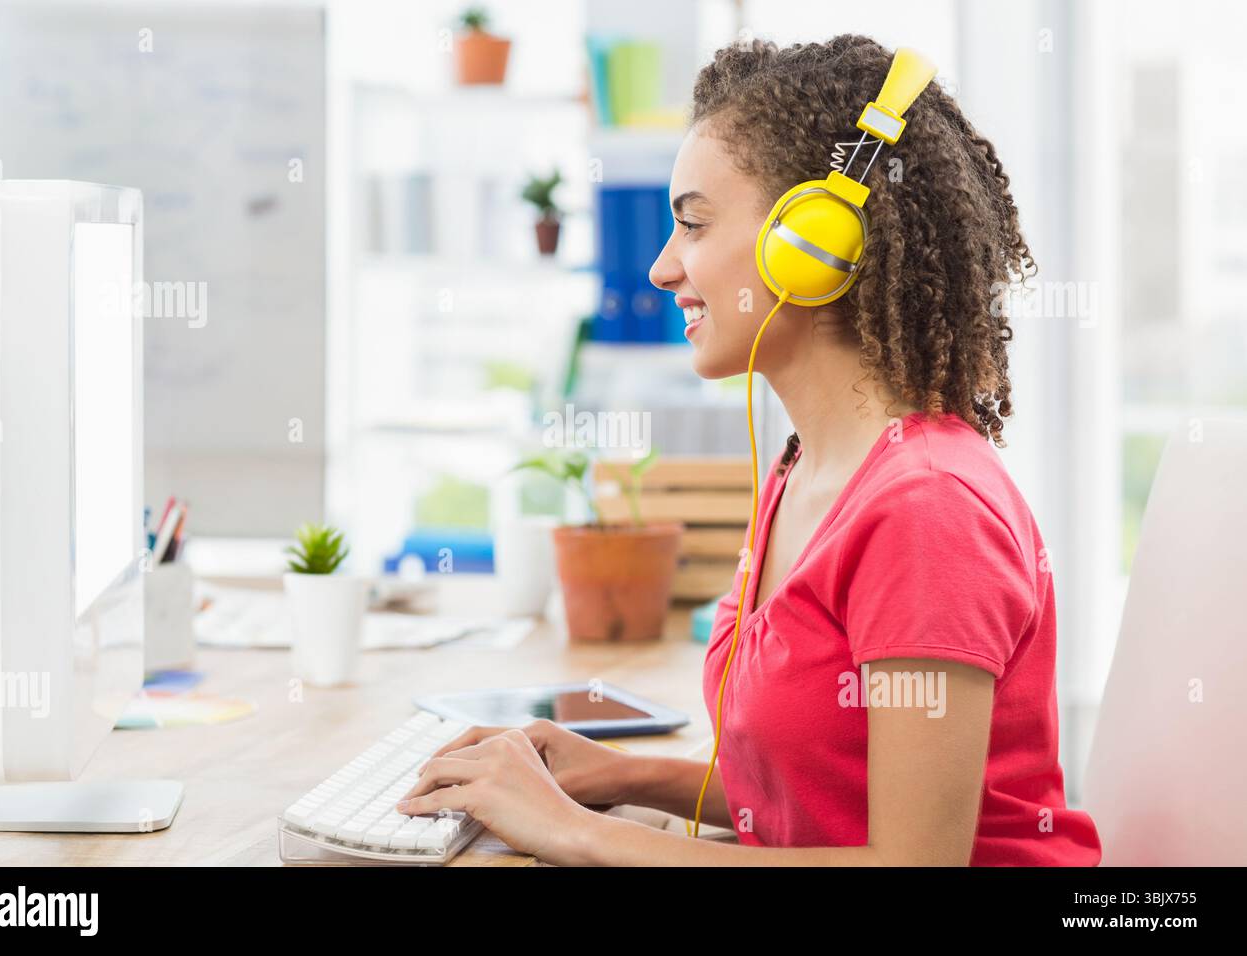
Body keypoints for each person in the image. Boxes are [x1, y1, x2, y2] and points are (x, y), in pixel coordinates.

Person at [397, 34, 1102, 866]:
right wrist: (625, 775)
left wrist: (576, 832)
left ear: (816, 242)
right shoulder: (806, 469)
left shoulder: (927, 510)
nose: (662, 269)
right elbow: (827, 786)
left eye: (693, 223)